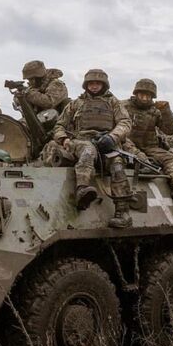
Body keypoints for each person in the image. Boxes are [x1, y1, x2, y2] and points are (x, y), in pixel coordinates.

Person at [52, 69, 133, 228]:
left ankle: (122, 212)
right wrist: (64, 139)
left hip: (107, 141)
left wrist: (112, 137)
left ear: (104, 85)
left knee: (117, 164)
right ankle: (82, 190)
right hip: (82, 140)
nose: (94, 86)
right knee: (88, 152)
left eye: (97, 83)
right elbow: (59, 126)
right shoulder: (76, 104)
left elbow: (125, 122)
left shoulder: (113, 102)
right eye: (91, 83)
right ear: (86, 85)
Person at [122, 78, 173, 205]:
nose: (144, 98)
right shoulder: (123, 106)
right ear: (136, 94)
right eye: (142, 95)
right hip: (126, 143)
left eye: (148, 96)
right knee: (126, 143)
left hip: (149, 146)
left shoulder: (155, 111)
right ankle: (145, 164)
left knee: (170, 158)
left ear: (152, 97)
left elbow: (170, 130)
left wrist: (166, 112)